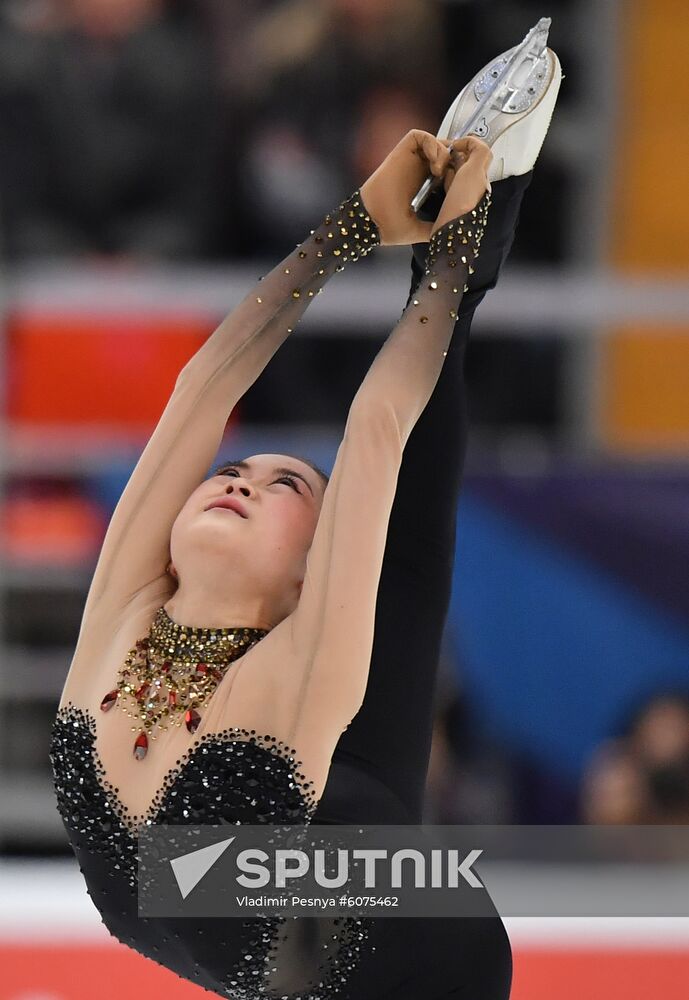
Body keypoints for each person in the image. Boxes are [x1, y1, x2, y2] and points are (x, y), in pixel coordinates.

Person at [50, 22, 561, 1000]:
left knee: (398, 592)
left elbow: (377, 432)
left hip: (407, 957)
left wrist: (452, 260)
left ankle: (488, 221)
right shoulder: (124, 610)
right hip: (294, 868)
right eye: (240, 470)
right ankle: (483, 218)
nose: (238, 479)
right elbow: (203, 387)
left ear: (307, 575)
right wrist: (350, 225)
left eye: (284, 486)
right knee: (362, 771)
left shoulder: (295, 676)